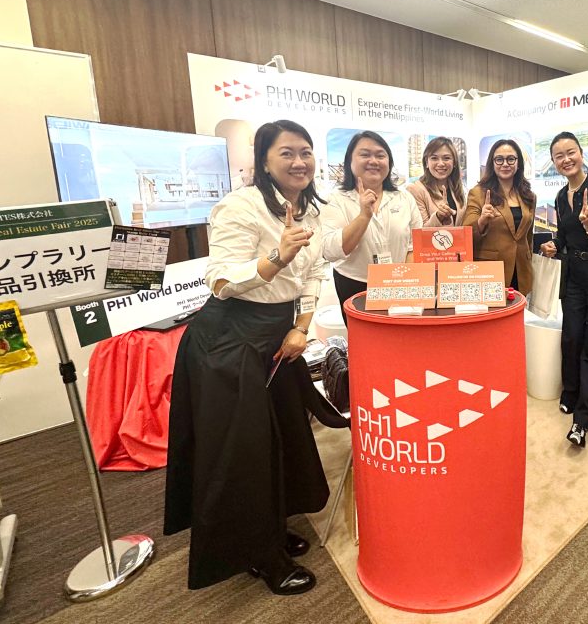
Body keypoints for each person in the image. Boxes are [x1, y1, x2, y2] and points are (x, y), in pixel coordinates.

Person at [164, 120, 330, 594]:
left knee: (279, 438)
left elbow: (314, 272)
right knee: (244, 453)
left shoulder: (310, 209)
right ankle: (260, 554)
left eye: (305, 152)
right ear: (264, 161)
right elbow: (220, 281)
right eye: (286, 153)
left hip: (277, 337)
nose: (299, 162)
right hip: (229, 342)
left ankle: (270, 528)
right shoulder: (240, 206)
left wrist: (301, 326)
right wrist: (276, 258)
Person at [539, 132, 588, 449]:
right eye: (558, 155)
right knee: (571, 336)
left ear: (581, 154)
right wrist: (553, 244)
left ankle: (584, 418)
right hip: (573, 273)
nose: (566, 159)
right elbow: (564, 235)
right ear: (554, 161)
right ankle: (570, 393)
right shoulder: (561, 195)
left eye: (570, 152)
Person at [321, 131, 423, 322]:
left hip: (399, 283)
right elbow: (330, 251)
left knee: (401, 335)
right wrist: (364, 216)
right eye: (365, 154)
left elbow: (415, 244)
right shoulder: (335, 199)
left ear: (389, 162)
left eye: (380, 155)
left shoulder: (404, 197)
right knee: (365, 338)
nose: (373, 161)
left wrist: (404, 281)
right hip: (355, 284)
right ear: (349, 161)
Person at [462, 139, 535, 294]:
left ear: (518, 163)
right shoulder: (478, 193)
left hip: (522, 270)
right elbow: (466, 232)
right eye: (499, 159)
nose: (505, 164)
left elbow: (528, 236)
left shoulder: (528, 195)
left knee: (521, 310)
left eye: (511, 159)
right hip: (491, 271)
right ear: (492, 163)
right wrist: (481, 220)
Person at [406, 137, 466, 226]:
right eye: (434, 158)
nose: (441, 163)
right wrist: (438, 217)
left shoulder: (458, 188)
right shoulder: (415, 190)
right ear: (426, 162)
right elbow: (419, 229)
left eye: (446, 158)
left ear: (454, 163)